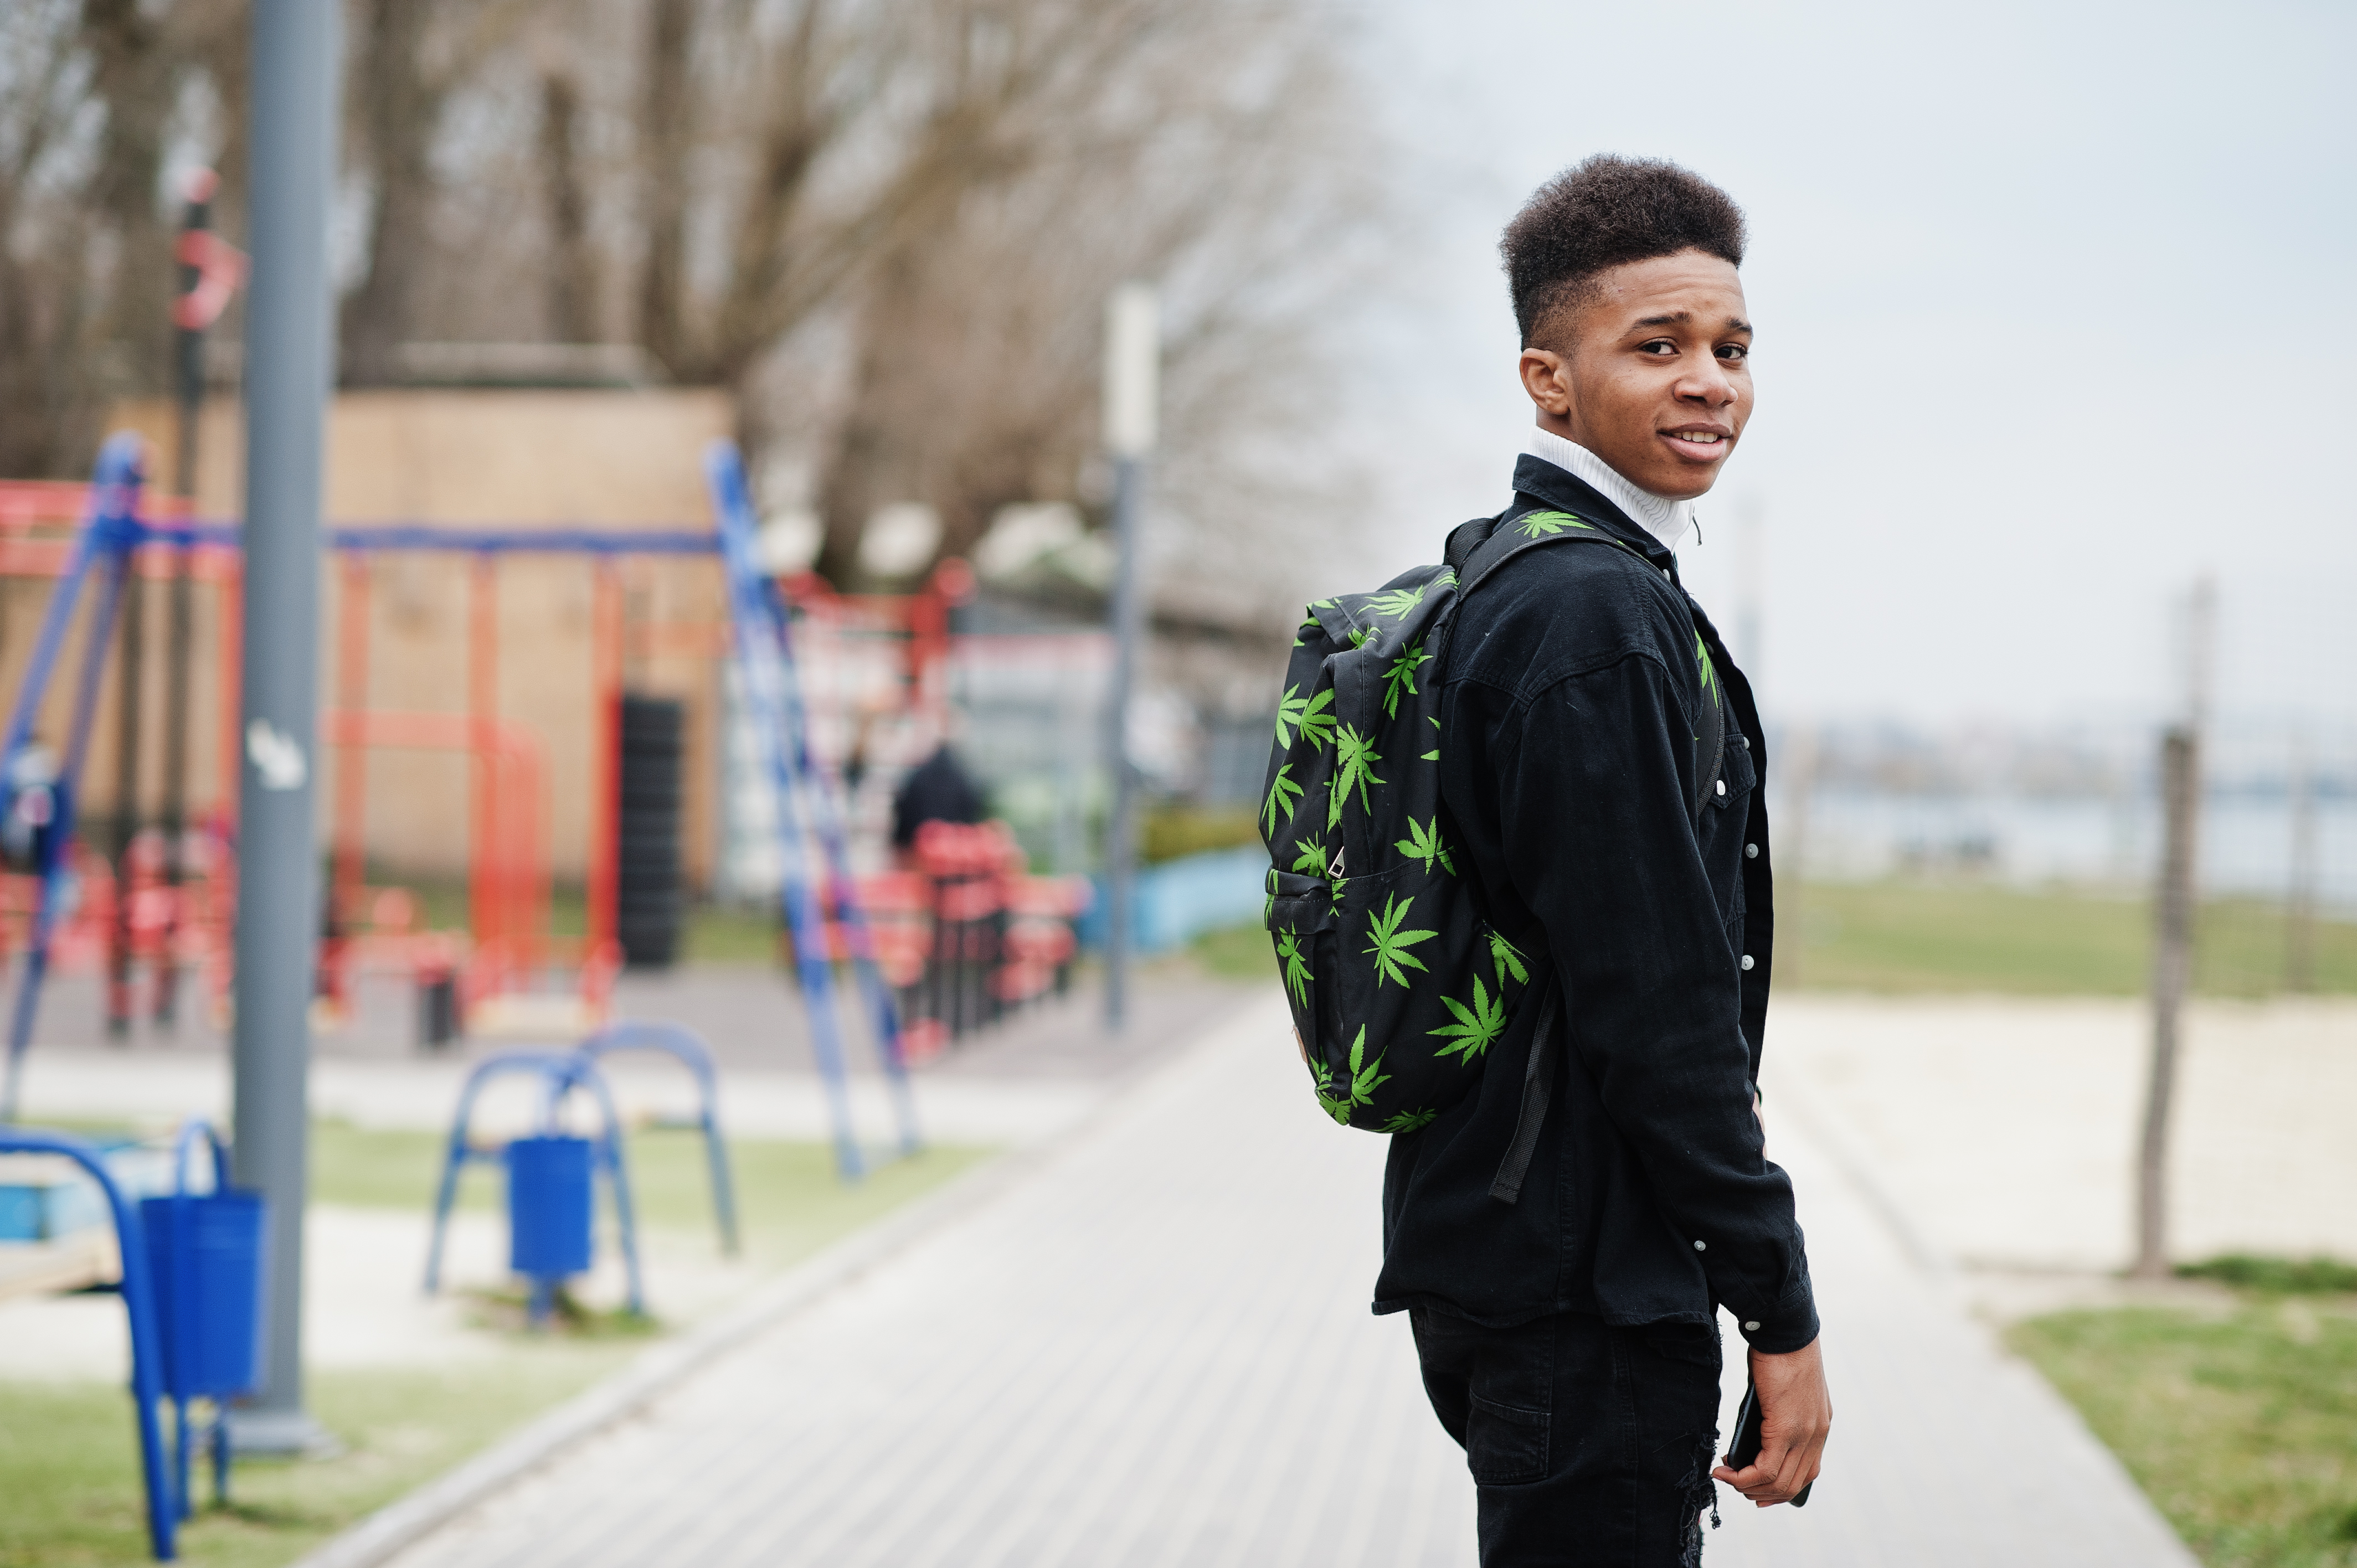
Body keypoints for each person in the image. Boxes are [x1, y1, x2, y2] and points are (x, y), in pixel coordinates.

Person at [1378, 155, 1830, 1565]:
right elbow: (1659, 1007)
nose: (1709, 382)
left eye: (1732, 349)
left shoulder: (1522, 571)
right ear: (1548, 381)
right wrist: (1781, 1309)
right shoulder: (1591, 616)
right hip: (1581, 1286)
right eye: (1658, 345)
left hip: (1520, 1249)